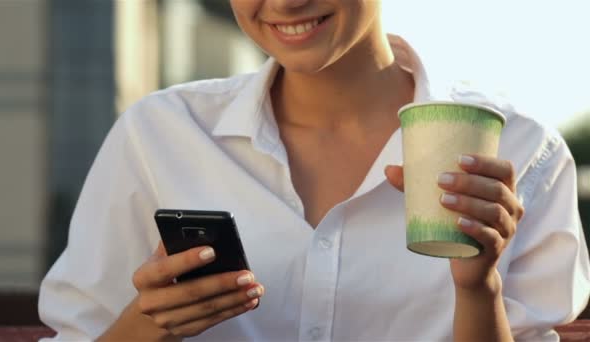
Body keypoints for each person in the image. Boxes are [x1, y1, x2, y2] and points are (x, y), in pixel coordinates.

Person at [38, 1, 590, 341]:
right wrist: (153, 322)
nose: (286, 1)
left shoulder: (519, 149)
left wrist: (479, 291)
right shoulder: (161, 134)